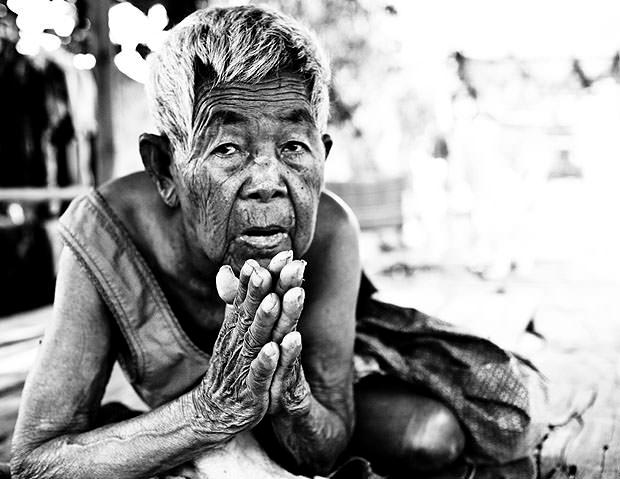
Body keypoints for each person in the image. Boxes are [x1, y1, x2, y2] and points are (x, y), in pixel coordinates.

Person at [10, 6, 539, 479]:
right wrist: (211, 413)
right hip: (184, 411)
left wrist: (293, 398)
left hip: (281, 405)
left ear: (323, 157)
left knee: (431, 437)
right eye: (229, 148)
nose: (268, 179)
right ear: (166, 168)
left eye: (292, 145)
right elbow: (36, 460)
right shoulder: (105, 232)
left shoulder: (330, 232)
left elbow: (324, 450)